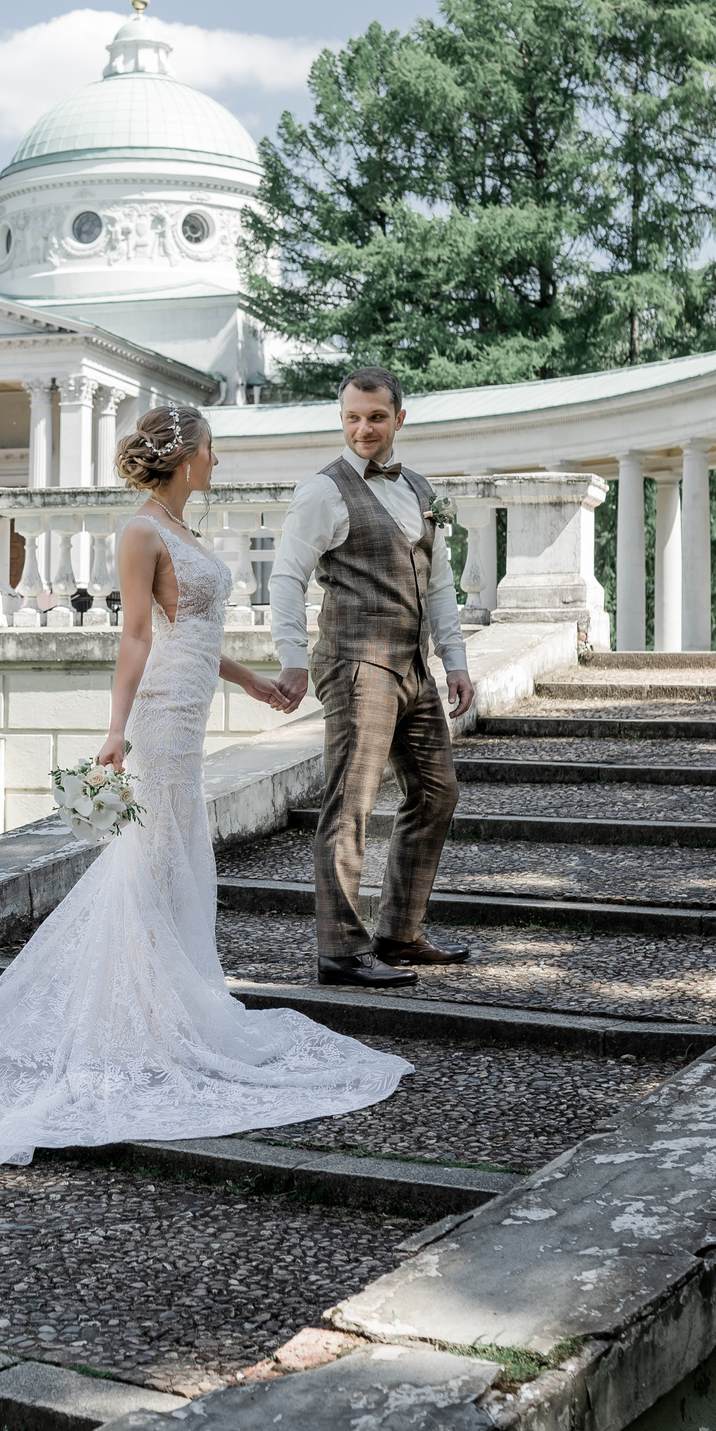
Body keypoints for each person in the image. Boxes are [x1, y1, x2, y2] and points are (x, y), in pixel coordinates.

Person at [0, 405, 412, 1164]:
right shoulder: (141, 531)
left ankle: (163, 1004)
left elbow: (195, 632)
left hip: (193, 701)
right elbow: (136, 634)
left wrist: (253, 684)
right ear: (187, 456)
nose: (216, 461)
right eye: (211, 450)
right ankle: (142, 1017)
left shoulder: (187, 530)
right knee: (152, 855)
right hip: (161, 716)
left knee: (175, 856)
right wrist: (116, 730)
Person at [268, 367, 475, 990]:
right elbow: (285, 577)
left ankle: (400, 932)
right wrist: (292, 658)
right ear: (341, 419)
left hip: (410, 664)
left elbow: (437, 583)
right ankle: (339, 950)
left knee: (437, 794)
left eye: (376, 417)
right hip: (356, 663)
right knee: (350, 804)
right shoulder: (322, 492)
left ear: (399, 420)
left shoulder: (418, 487)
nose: (363, 428)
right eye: (353, 417)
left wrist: (456, 660)